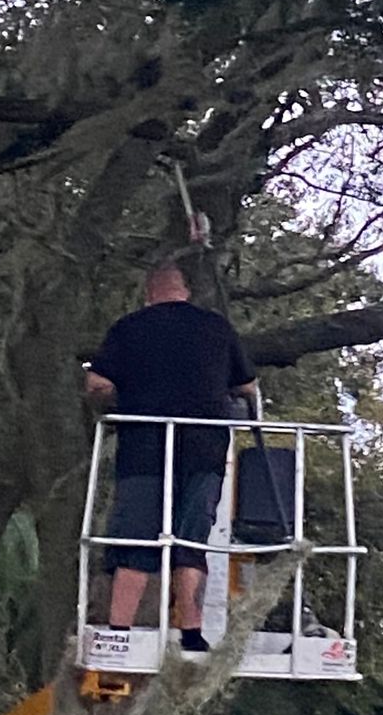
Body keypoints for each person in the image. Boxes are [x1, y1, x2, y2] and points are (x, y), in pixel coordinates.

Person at [85, 260, 259, 654]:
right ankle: (192, 633)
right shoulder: (217, 327)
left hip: (145, 447)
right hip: (205, 449)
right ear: (186, 291)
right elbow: (248, 386)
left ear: (149, 294)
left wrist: (114, 404)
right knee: (191, 538)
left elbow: (97, 383)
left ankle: (119, 630)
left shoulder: (129, 328)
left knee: (136, 537)